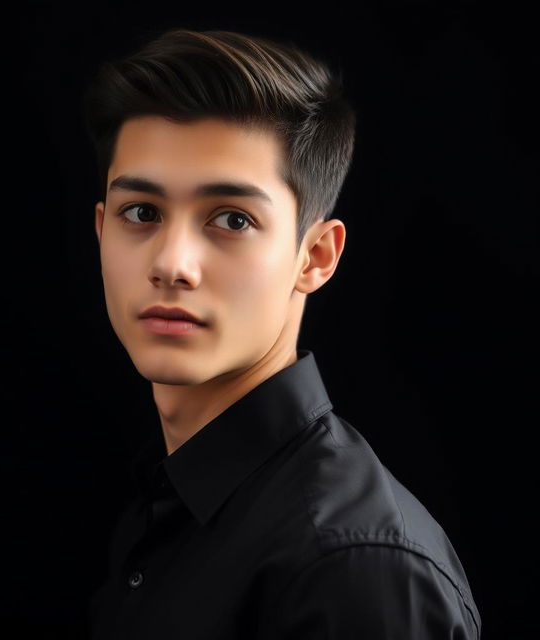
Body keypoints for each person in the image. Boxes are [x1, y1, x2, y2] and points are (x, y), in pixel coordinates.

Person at [83, 27, 481, 639]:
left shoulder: (355, 570)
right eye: (143, 213)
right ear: (102, 231)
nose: (171, 263)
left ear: (316, 256)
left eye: (232, 219)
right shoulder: (168, 500)